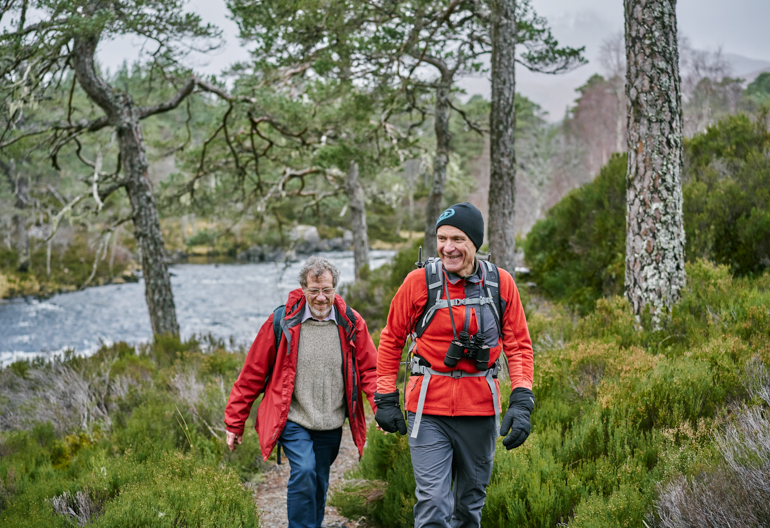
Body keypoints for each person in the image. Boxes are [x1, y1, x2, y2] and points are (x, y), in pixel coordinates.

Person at [374, 202, 535, 528]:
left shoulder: (501, 284)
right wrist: (385, 396)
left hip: (480, 411)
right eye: (442, 238)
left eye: (458, 239)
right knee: (433, 502)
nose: (448, 248)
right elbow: (391, 339)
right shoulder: (418, 283)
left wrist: (522, 398)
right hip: (428, 409)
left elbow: (518, 347)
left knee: (469, 504)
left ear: (475, 242)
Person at [224, 256, 378, 528]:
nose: (320, 298)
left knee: (318, 483)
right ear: (303, 289)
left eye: (327, 290)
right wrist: (234, 423)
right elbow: (252, 374)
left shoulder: (351, 323)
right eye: (314, 290)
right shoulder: (283, 322)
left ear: (335, 289)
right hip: (293, 418)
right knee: (304, 471)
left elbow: (370, 371)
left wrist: (382, 410)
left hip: (330, 422)